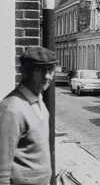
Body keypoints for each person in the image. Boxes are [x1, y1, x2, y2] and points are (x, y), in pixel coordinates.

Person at [0, 46, 57, 185]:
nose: (47, 76)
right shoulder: (11, 109)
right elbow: (2, 172)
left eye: (50, 70)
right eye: (40, 70)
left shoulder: (39, 101)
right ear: (26, 72)